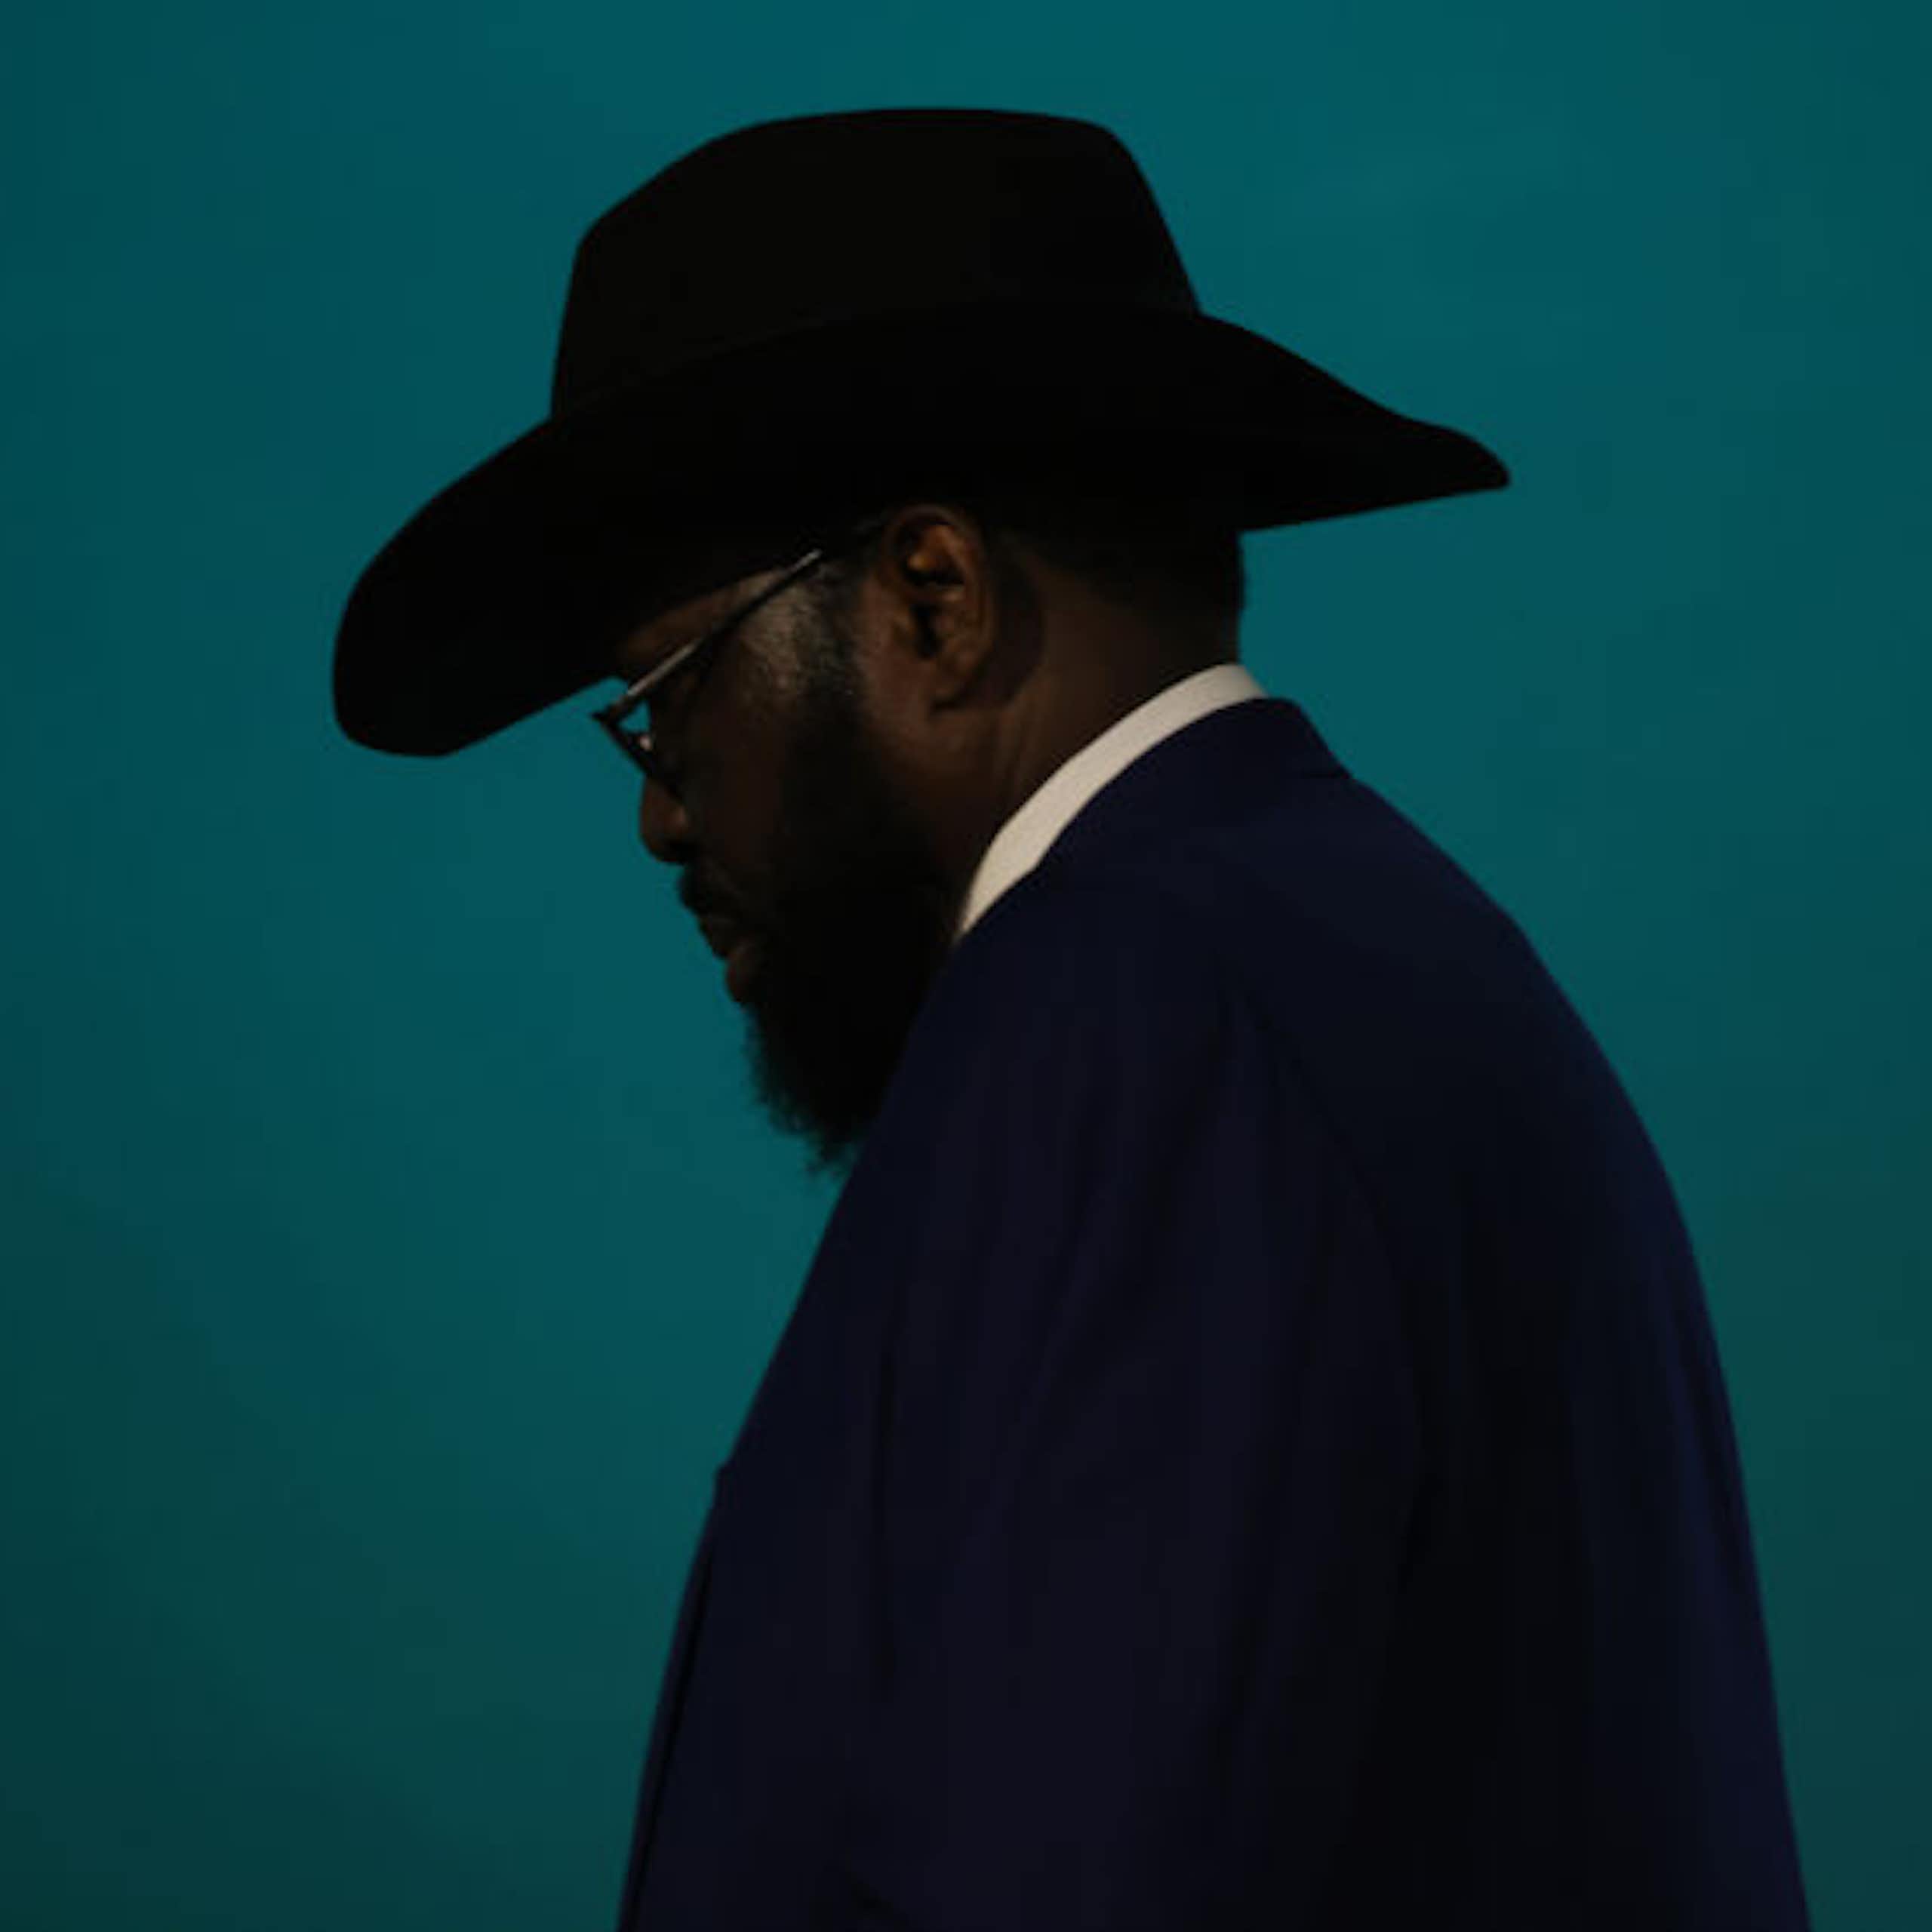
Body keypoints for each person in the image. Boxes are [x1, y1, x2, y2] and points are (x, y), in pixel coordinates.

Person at [334, 109, 1812, 1930]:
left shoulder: (1142, 1017)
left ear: (931, 599)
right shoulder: (1354, 954)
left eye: (666, 697)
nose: (658, 807)